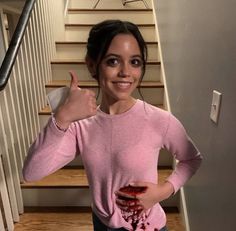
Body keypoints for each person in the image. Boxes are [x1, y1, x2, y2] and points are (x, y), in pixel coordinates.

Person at [23, 20, 202, 231]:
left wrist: (162, 192)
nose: (126, 72)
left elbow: (191, 159)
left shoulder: (158, 120)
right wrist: (62, 117)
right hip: (101, 223)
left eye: (135, 62)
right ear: (92, 65)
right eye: (113, 61)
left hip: (145, 227)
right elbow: (31, 173)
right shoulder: (81, 126)